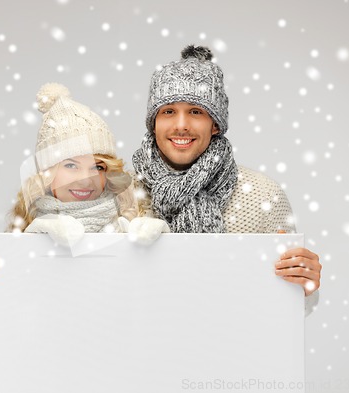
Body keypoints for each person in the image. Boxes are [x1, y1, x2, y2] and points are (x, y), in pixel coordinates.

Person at [131, 45, 321, 312]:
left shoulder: (263, 194)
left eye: (196, 111)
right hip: (144, 346)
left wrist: (304, 285)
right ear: (154, 123)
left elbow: (290, 308)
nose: (181, 125)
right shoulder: (123, 193)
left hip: (233, 347)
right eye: (168, 111)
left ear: (216, 123)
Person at [0, 82, 143, 292]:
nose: (85, 179)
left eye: (97, 166)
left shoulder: (135, 224)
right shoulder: (22, 238)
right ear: (47, 174)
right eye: (71, 165)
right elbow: (13, 303)